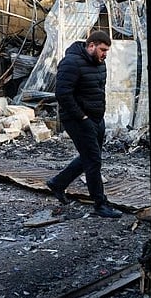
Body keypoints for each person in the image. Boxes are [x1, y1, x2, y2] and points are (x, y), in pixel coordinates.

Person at [46, 30, 122, 218]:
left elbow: (97, 91)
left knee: (90, 157)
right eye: (102, 50)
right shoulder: (71, 63)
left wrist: (98, 116)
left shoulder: (100, 63)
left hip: (96, 118)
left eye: (107, 51)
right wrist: (82, 117)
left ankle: (58, 183)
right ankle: (100, 204)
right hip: (77, 119)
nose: (105, 54)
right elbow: (62, 94)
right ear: (91, 46)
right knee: (93, 160)